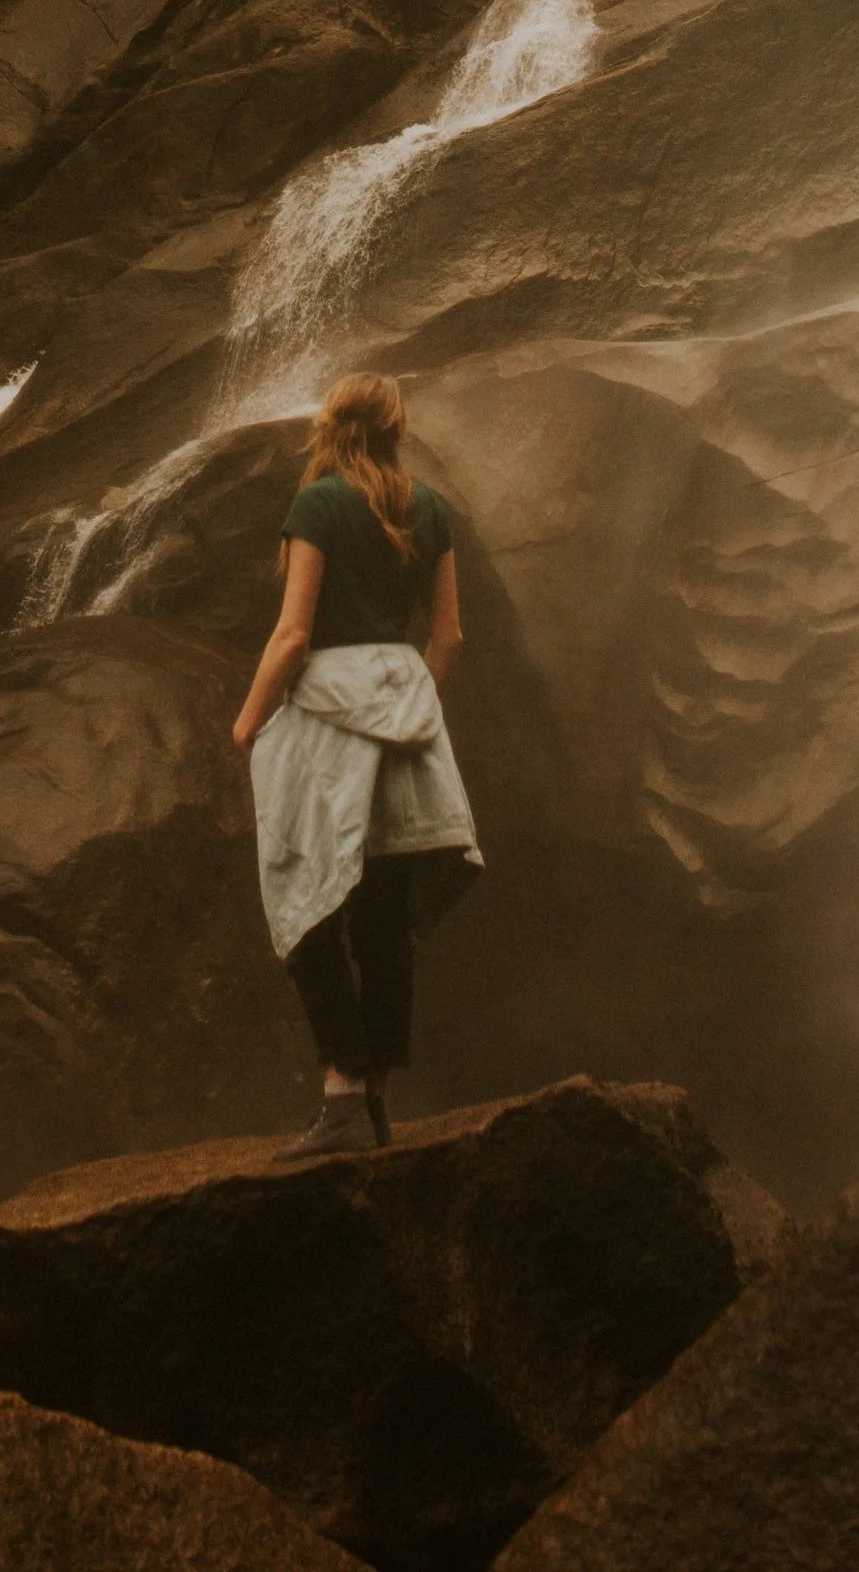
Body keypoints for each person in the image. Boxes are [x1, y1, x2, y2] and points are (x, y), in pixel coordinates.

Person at [232, 370, 481, 1159]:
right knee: (382, 918)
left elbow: (293, 634)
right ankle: (373, 1104)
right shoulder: (430, 507)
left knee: (307, 898)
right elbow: (449, 637)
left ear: (331, 426)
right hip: (404, 716)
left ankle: (340, 1095)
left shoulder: (319, 503)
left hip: (327, 719)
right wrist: (416, 708)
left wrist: (246, 722)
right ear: (396, 429)